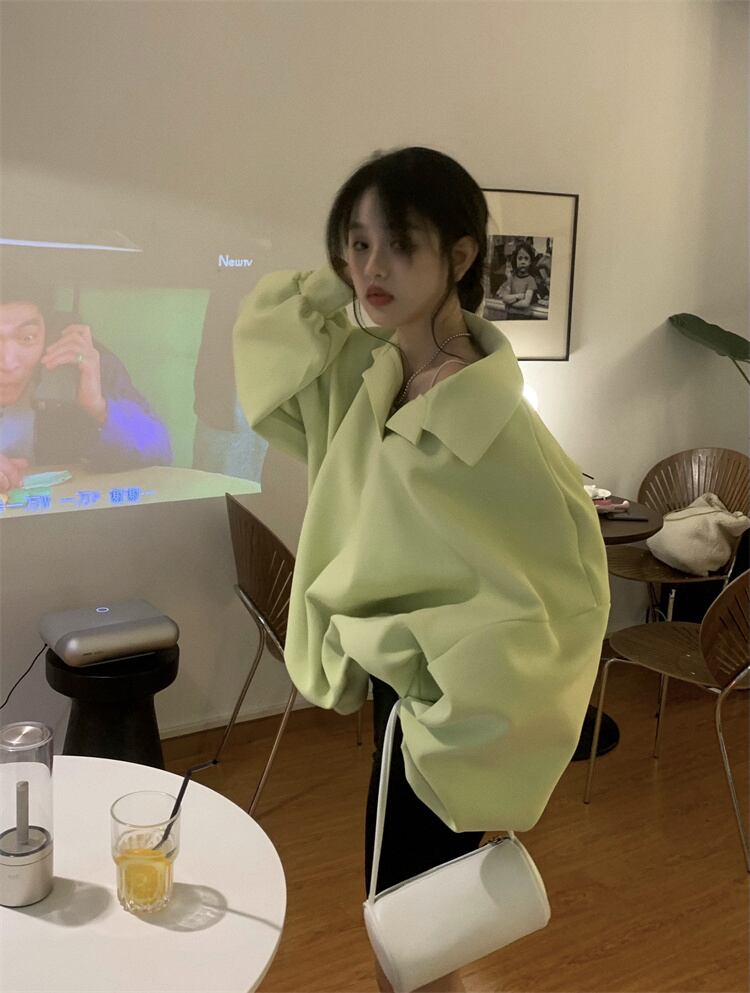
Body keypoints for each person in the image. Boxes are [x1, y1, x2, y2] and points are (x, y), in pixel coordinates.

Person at [233, 147, 609, 993]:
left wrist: (452, 706)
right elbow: (267, 331)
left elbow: (566, 595)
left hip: (447, 721)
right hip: (399, 703)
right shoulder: (373, 374)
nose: (372, 268)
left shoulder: (493, 422)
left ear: (462, 254)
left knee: (414, 933)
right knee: (400, 919)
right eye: (357, 244)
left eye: (400, 244)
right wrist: (345, 277)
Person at [0, 277, 172, 491]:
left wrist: (99, 407)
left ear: (48, 330)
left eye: (27, 338)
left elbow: (159, 452)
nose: (8, 363)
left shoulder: (81, 360)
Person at [495, 241, 538, 312]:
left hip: (523, 316)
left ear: (530, 262)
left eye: (526, 258)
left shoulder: (531, 280)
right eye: (520, 258)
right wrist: (519, 296)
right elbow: (504, 298)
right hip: (510, 315)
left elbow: (525, 303)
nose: (523, 262)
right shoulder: (512, 278)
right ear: (515, 260)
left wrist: (509, 302)